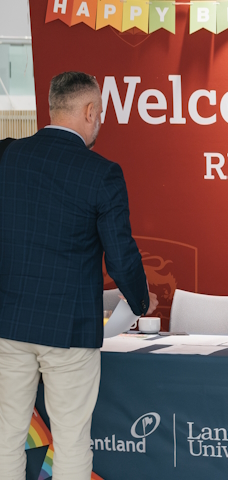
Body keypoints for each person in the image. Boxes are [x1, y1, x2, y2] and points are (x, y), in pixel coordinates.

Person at [0, 71, 158, 480]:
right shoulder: (101, 173)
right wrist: (140, 301)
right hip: (68, 329)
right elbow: (120, 257)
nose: (99, 121)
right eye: (100, 113)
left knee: (5, 437)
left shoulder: (7, 156)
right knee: (71, 440)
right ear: (89, 111)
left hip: (8, 322)